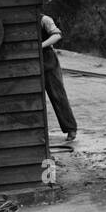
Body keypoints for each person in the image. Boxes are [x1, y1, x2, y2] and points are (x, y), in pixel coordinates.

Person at [41, 12, 78, 143]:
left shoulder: (44, 19)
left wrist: (41, 45)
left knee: (58, 95)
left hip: (48, 59)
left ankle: (70, 129)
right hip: (30, 60)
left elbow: (57, 35)